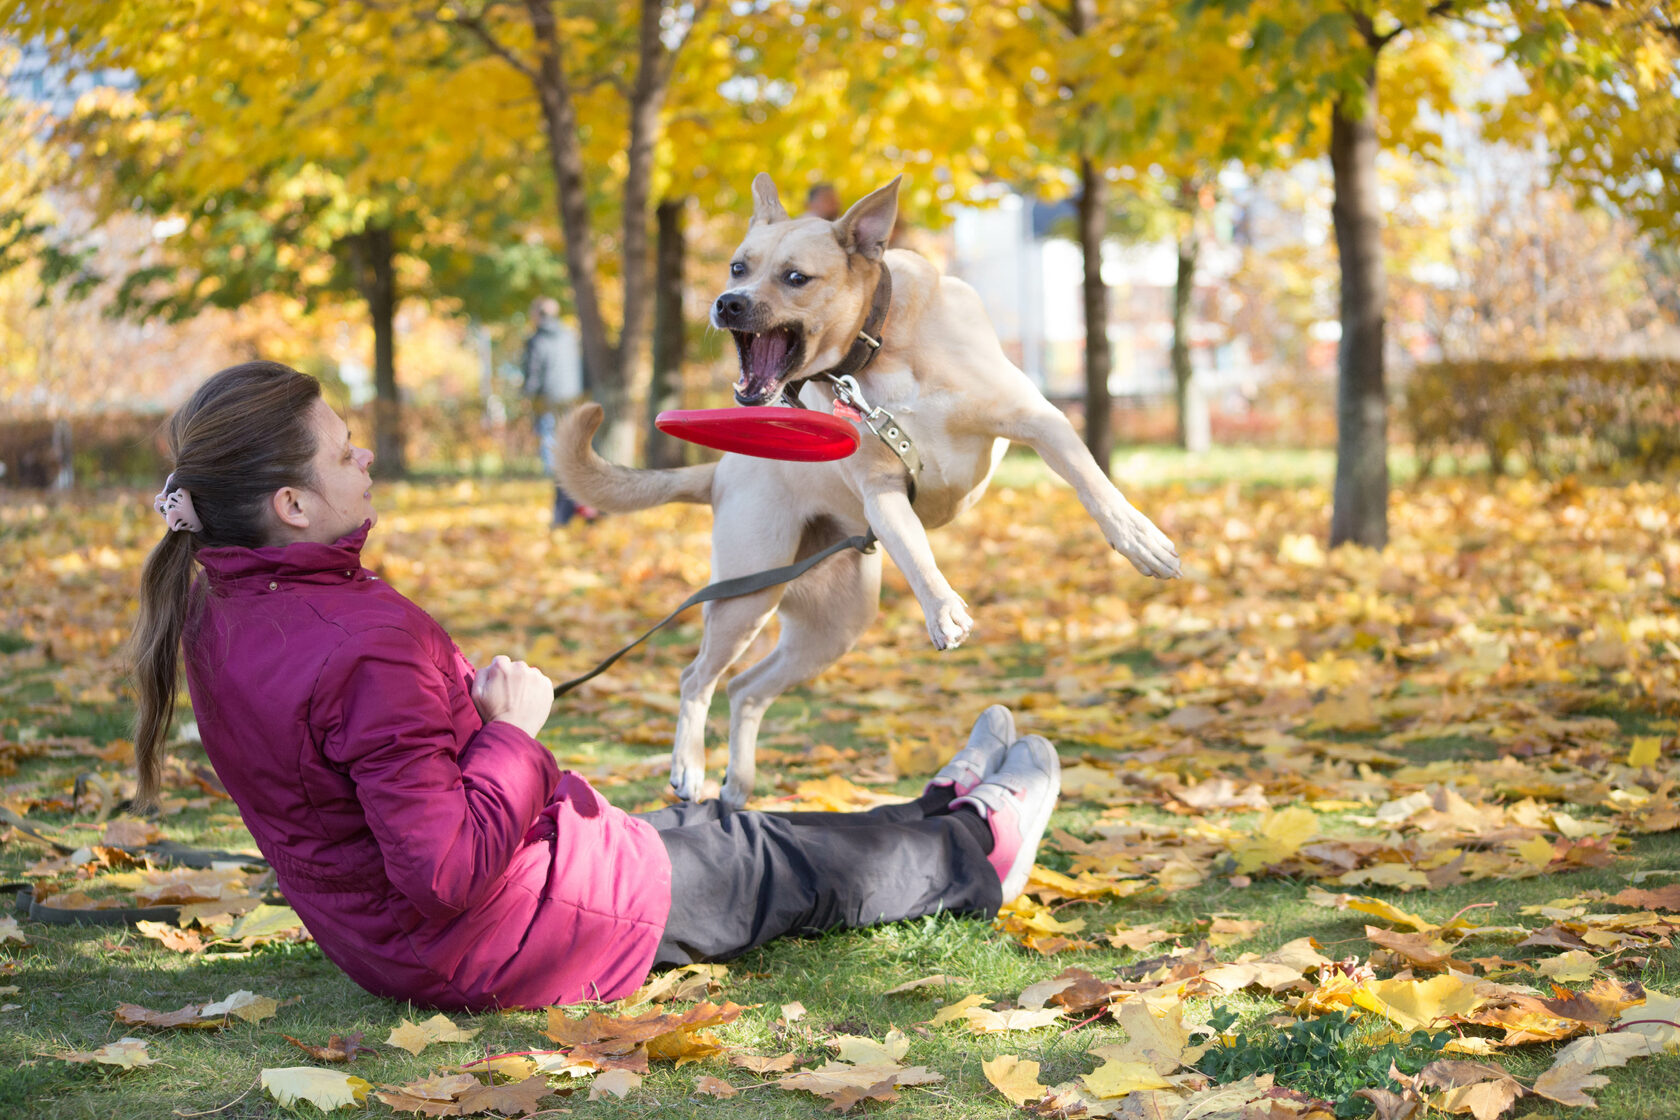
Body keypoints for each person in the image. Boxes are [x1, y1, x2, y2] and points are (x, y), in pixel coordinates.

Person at [129, 361, 1062, 1013]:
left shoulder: (222, 610)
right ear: (290, 506)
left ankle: (932, 812)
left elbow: (370, 771)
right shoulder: (359, 640)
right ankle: (979, 849)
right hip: (510, 937)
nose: (363, 456)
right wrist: (512, 732)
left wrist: (466, 719)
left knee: (719, 831)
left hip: (432, 929)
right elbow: (444, 872)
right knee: (776, 869)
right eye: (341, 452)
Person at [520, 297, 595, 528]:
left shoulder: (536, 340)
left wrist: (527, 400)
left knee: (556, 461)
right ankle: (583, 507)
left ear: (537, 314)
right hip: (572, 404)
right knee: (572, 456)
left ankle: (566, 514)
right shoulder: (569, 337)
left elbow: (533, 375)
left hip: (548, 406)